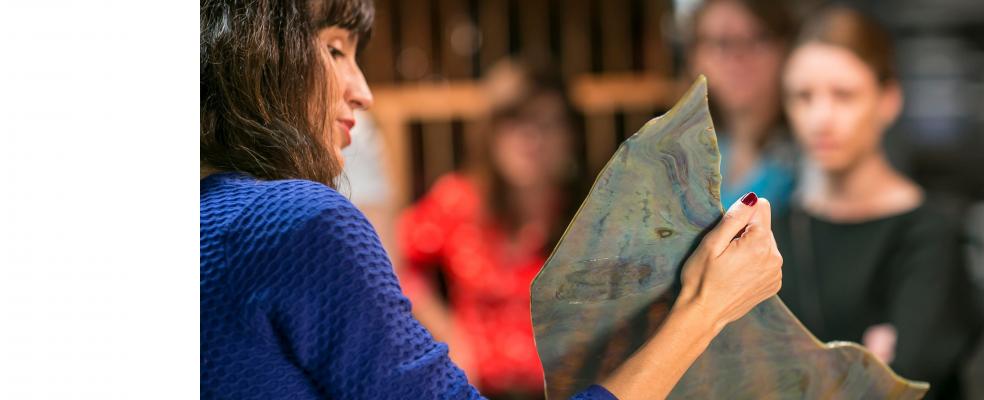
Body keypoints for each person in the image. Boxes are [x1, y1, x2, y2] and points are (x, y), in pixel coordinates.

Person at [199, 0, 783, 399]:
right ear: (256, 50)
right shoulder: (313, 222)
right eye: (334, 49)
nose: (365, 92)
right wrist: (707, 308)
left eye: (549, 126)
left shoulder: (589, 208)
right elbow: (409, 261)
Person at [775, 6, 982, 399]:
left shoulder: (930, 234)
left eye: (844, 95)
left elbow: (908, 382)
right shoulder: (777, 231)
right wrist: (865, 366)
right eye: (803, 96)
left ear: (888, 99)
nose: (821, 117)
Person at [394, 59, 586, 398]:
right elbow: (392, 259)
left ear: (570, 136)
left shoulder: (592, 213)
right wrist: (445, 329)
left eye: (547, 123)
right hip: (475, 390)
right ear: (492, 132)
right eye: (516, 121)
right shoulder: (459, 201)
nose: (531, 138)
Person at [687, 0, 803, 218]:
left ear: (786, 49)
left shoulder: (812, 153)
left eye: (758, 38)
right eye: (722, 43)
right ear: (695, 58)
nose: (738, 57)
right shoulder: (690, 155)